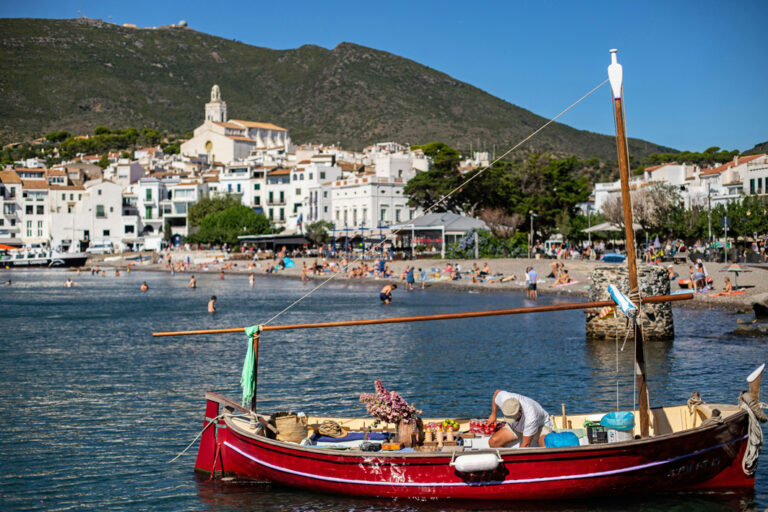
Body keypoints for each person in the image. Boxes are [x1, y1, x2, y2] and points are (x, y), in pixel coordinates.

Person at [487, 390, 553, 448]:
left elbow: (526, 445)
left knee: (546, 444)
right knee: (493, 442)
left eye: (513, 417)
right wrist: (493, 415)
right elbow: (496, 393)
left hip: (539, 426)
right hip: (517, 427)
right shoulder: (505, 398)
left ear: (520, 411)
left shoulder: (531, 415)